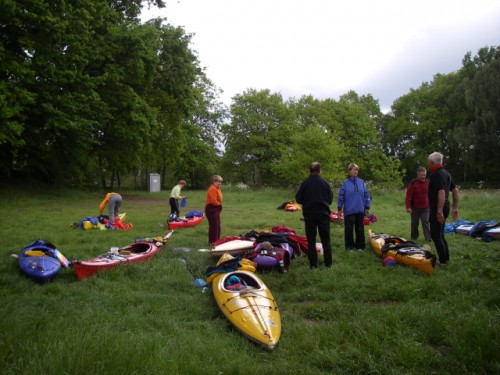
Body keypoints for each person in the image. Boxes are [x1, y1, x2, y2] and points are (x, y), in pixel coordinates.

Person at [295, 162, 333, 269]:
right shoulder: (325, 183)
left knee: (311, 240)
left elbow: (298, 199)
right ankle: (328, 264)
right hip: (323, 214)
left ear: (309, 171)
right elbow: (330, 200)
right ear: (320, 171)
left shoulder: (305, 183)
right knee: (326, 240)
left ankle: (313, 265)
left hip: (309, 214)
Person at [427, 152, 459, 267]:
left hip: (438, 208)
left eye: (428, 162)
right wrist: (455, 207)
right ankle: (446, 258)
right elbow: (455, 191)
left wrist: (439, 211)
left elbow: (441, 192)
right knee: (440, 234)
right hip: (445, 207)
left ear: (431, 163)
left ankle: (443, 262)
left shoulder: (436, 175)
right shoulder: (446, 173)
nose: (428, 164)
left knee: (436, 235)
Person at [337, 163, 371, 251]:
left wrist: (367, 207)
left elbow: (366, 194)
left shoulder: (361, 182)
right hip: (349, 210)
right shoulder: (345, 183)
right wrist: (339, 208)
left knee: (360, 229)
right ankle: (349, 247)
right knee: (349, 230)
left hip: (360, 210)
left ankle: (360, 246)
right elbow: (341, 196)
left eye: (357, 170)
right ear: (349, 171)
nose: (356, 171)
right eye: (354, 170)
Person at [405, 167, 431, 242]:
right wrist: (408, 207)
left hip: (426, 207)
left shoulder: (428, 182)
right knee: (414, 223)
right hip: (415, 208)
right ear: (418, 175)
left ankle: (428, 238)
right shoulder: (413, 183)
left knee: (425, 222)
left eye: (424, 175)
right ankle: (414, 237)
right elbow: (408, 196)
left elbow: (432, 194)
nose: (423, 177)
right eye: (421, 175)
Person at [205, 175, 223, 247]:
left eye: (220, 182)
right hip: (211, 208)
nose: (219, 183)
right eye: (217, 181)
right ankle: (213, 242)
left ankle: (217, 241)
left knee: (217, 225)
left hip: (216, 207)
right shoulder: (212, 188)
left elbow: (219, 198)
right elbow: (213, 201)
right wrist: (219, 205)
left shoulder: (217, 188)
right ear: (213, 182)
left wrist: (219, 205)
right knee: (214, 226)